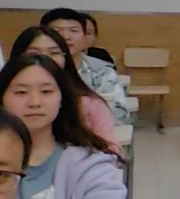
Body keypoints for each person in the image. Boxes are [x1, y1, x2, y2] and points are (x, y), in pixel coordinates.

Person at [0, 55, 129, 199]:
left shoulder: (87, 162)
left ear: (62, 99)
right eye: (21, 92)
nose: (34, 102)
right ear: (1, 99)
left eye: (46, 91)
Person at [12, 26, 122, 156]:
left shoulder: (90, 103)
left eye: (54, 53)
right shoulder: (4, 100)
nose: (45, 59)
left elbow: (112, 151)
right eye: (34, 53)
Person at [41, 9, 130, 124]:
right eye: (56, 31)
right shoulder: (32, 69)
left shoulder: (101, 72)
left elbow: (120, 113)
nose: (66, 37)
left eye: (74, 30)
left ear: (84, 37)